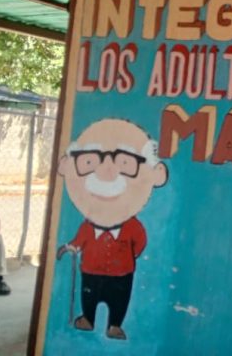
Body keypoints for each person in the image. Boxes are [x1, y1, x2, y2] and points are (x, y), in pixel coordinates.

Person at [56, 118, 167, 341]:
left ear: (157, 174)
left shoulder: (132, 226)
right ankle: (88, 319)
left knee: (119, 299)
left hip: (121, 273)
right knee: (89, 295)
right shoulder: (88, 226)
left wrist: (128, 257)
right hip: (91, 271)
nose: (107, 172)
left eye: (125, 162)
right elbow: (78, 242)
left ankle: (115, 325)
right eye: (90, 161)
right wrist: (68, 248)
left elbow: (140, 243)